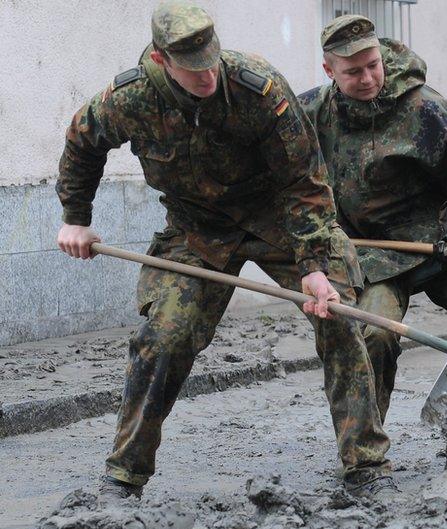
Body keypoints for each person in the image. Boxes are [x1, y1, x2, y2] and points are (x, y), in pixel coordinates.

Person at [55, 0, 394, 501]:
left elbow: (305, 182)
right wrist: (76, 219)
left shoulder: (259, 87)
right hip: (198, 229)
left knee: (340, 317)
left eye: (210, 62)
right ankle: (124, 475)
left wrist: (315, 266)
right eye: (191, 69)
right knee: (163, 336)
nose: (206, 76)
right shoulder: (129, 98)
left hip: (280, 218)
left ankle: (365, 462)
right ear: (163, 60)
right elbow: (82, 143)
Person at [300, 15, 447, 422]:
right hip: (374, 255)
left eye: (373, 65)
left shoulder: (424, 107)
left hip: (442, 243)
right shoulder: (312, 115)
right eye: (353, 72)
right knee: (371, 334)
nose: (368, 78)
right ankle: (367, 448)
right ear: (328, 70)